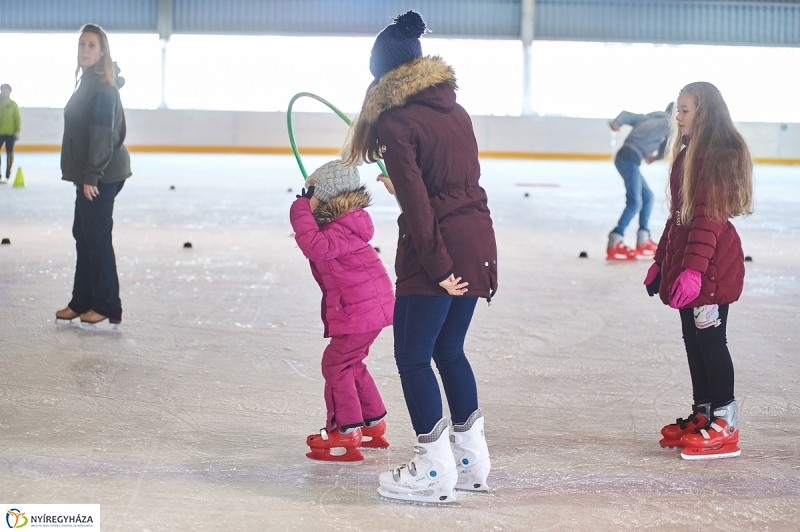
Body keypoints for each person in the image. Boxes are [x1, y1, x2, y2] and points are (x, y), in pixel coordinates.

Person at [345, 11, 497, 503]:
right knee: (449, 350)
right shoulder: (456, 110)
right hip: (477, 242)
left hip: (438, 252)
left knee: (412, 357)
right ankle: (471, 462)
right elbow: (445, 185)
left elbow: (419, 203)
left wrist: (438, 268)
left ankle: (433, 468)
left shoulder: (395, 119)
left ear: (383, 75)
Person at [644, 82, 753, 460]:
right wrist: (661, 261)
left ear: (703, 113)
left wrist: (692, 271)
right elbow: (680, 216)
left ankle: (726, 421)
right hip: (689, 261)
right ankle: (705, 413)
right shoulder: (688, 154)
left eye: (685, 110)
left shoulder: (717, 156)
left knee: (711, 341)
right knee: (694, 340)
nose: (678, 116)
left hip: (711, 268)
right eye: (678, 109)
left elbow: (709, 218)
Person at [289, 160, 394, 463]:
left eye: (309, 193)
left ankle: (345, 429)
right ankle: (372, 422)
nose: (305, 198)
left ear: (324, 196)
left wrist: (299, 209)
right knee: (350, 362)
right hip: (368, 308)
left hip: (360, 311)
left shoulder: (339, 229)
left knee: (336, 364)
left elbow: (315, 247)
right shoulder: (345, 223)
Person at [55, 24, 131, 326]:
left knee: (96, 238)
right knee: (84, 235)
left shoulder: (101, 87)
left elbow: (102, 134)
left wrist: (92, 175)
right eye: (81, 44)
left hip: (101, 175)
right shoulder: (88, 81)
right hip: (91, 173)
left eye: (91, 45)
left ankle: (107, 305)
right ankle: (81, 300)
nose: (84, 50)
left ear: (102, 53)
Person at [607, 103, 673, 260]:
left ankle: (643, 240)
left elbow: (626, 114)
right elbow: (666, 146)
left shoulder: (647, 118)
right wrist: (657, 157)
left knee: (647, 197)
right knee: (635, 202)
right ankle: (615, 241)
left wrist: (617, 123)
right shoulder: (670, 124)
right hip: (629, 159)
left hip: (626, 157)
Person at [0, 83, 21, 183]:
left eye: (7, 90)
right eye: (3, 90)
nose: (5, 92)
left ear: (9, 92)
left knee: (10, 153)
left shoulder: (13, 105)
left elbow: (17, 118)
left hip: (10, 133)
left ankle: (8, 170)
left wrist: (17, 131)